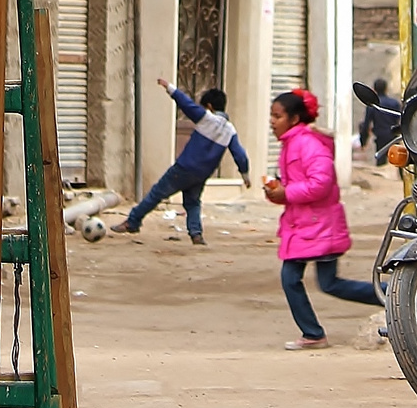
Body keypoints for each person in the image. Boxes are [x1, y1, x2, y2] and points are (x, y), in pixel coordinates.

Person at [265, 89, 382, 351]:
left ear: (294, 119)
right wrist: (277, 193)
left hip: (319, 225)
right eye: (271, 116)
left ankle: (314, 333)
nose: (272, 121)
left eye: (277, 116)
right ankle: (394, 297)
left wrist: (286, 192)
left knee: (295, 278)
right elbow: (297, 187)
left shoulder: (307, 144)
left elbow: (321, 183)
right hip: (306, 225)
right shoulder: (292, 144)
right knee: (329, 283)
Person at [112, 78, 250, 244]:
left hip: (184, 168)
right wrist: (245, 174)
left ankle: (132, 221)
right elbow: (240, 154)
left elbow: (186, 104)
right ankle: (196, 233)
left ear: (210, 106)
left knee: (156, 194)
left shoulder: (206, 118)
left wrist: (169, 88)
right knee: (192, 202)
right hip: (202, 174)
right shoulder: (230, 130)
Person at [358, 78, 400, 166]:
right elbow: (400, 119)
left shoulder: (373, 105)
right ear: (386, 89)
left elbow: (366, 124)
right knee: (398, 161)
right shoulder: (394, 103)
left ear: (374, 89)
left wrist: (363, 141)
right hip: (393, 135)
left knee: (380, 162)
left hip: (380, 137)